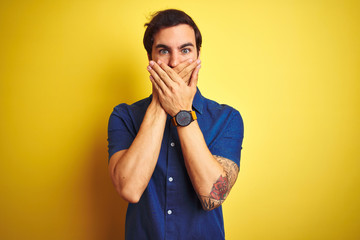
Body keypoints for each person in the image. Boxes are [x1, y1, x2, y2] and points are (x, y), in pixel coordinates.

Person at [107, 9, 244, 240]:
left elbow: (213, 196)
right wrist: (161, 104)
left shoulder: (227, 118)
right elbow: (129, 189)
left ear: (198, 55)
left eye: (185, 50)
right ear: (150, 59)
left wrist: (181, 111)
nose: (174, 62)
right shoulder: (124, 116)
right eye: (163, 51)